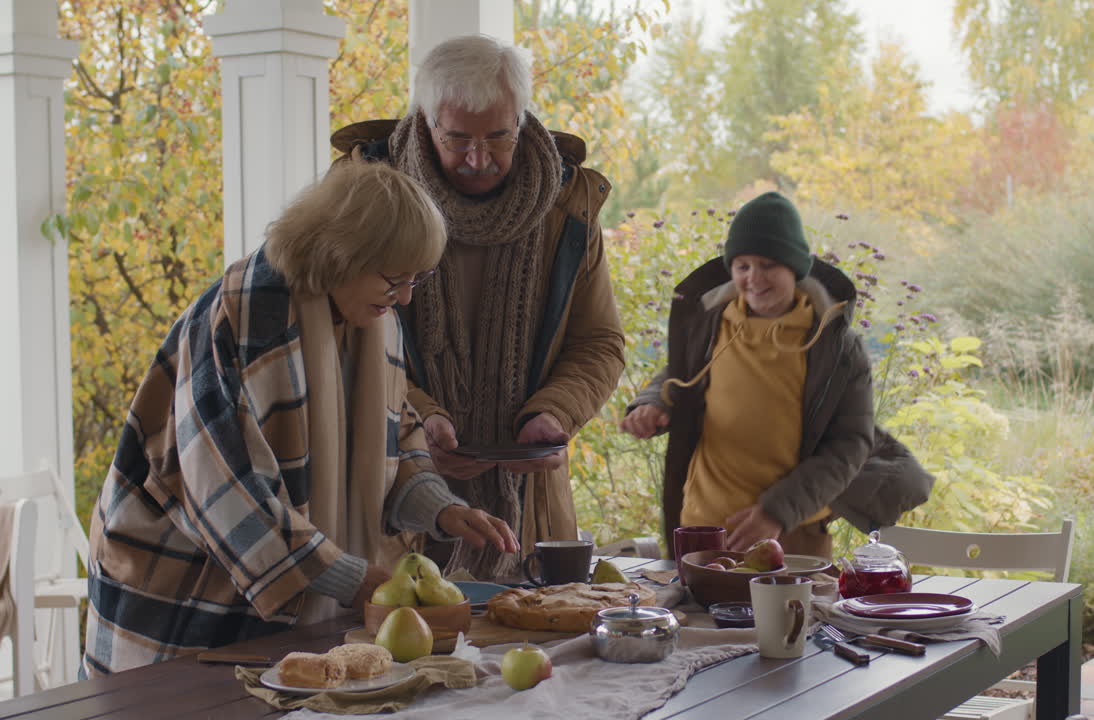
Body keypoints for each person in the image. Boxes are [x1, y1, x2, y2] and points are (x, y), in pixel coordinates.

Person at [81, 161, 517, 676]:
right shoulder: (241, 317)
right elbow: (226, 491)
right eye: (394, 279)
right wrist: (353, 581)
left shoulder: (376, 319)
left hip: (285, 601)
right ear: (340, 253)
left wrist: (442, 509)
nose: (405, 298)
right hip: (183, 594)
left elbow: (394, 437)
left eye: (417, 279)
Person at [331, 35, 625, 580]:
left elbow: (599, 342)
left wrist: (554, 412)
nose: (478, 158)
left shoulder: (570, 204)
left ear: (521, 118)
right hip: (394, 499)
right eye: (457, 138)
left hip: (529, 504)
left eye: (498, 136)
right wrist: (420, 421)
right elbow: (339, 338)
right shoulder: (363, 193)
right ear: (425, 121)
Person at [621, 192, 933, 560]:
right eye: (742, 266)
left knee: (791, 621)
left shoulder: (837, 348)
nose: (754, 278)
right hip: (703, 533)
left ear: (795, 268)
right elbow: (679, 375)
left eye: (768, 265)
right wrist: (651, 402)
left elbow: (850, 446)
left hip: (793, 535)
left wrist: (777, 512)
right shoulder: (709, 323)